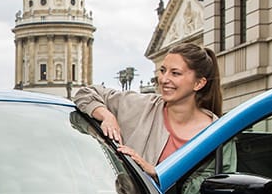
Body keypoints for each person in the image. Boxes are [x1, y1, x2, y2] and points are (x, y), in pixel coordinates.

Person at [72, 43, 223, 179]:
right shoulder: (140, 105)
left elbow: (212, 186)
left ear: (199, 83)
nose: (164, 79)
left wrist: (157, 173)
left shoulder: (216, 132)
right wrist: (106, 116)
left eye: (175, 73)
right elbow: (85, 93)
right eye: (163, 71)